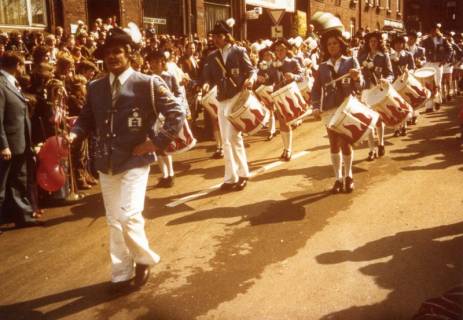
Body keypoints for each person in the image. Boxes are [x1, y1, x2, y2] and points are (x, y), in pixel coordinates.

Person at [70, 28, 185, 291]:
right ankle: (121, 272)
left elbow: (176, 112)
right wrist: (74, 133)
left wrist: (155, 142)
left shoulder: (149, 83)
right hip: (106, 162)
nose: (112, 57)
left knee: (130, 215)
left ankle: (144, 260)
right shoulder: (95, 86)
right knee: (113, 220)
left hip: (135, 160)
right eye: (108, 53)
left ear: (129, 54)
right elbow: (86, 118)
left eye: (118, 52)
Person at [201, 18, 256, 191]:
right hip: (222, 99)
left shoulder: (238, 51)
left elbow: (252, 70)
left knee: (234, 137)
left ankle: (243, 173)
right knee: (225, 140)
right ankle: (230, 177)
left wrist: (251, 79)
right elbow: (207, 77)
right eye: (213, 36)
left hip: (237, 97)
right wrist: (206, 84)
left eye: (217, 36)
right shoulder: (211, 56)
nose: (214, 39)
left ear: (226, 36)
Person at [312, 29, 364, 194]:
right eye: (329, 44)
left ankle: (348, 176)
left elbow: (360, 86)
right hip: (329, 109)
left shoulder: (351, 62)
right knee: (333, 144)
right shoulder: (322, 67)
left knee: (345, 143)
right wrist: (315, 106)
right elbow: (316, 89)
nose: (332, 46)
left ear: (341, 44)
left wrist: (356, 78)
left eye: (335, 43)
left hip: (346, 107)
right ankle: (337, 178)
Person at [0, 52, 41, 228]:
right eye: (22, 64)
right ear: (17, 64)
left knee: (19, 180)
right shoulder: (1, 84)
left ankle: (23, 217)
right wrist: (3, 145)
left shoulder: (11, 82)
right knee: (1, 185)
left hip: (20, 142)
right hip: (9, 144)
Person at [357, 31, 393, 160]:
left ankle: (381, 143)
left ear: (379, 43)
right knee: (368, 120)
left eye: (375, 41)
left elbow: (390, 74)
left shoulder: (384, 56)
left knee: (378, 119)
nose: (373, 43)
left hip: (378, 90)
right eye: (370, 41)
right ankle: (371, 150)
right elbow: (357, 73)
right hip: (366, 91)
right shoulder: (362, 57)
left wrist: (386, 80)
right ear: (368, 43)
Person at [268, 38, 306, 161]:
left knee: (288, 121)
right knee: (282, 123)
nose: (279, 52)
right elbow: (270, 80)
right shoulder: (272, 65)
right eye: (277, 50)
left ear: (286, 50)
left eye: (282, 50)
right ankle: (285, 148)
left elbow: (302, 76)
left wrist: (293, 76)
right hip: (278, 95)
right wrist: (263, 79)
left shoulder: (293, 62)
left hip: (290, 95)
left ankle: (288, 149)